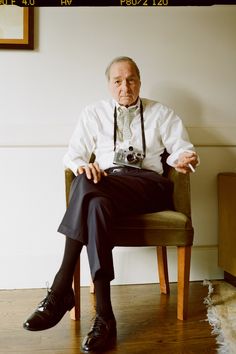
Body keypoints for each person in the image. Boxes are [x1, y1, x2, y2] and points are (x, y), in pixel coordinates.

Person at [23, 56, 198, 352]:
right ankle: (105, 316)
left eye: (130, 80)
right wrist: (84, 167)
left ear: (140, 81)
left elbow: (181, 148)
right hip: (106, 186)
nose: (124, 86)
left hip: (148, 186)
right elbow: (73, 155)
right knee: (94, 203)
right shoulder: (93, 113)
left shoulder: (162, 113)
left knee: (88, 185)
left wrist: (183, 157)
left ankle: (61, 287)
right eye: (117, 81)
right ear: (109, 85)